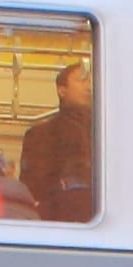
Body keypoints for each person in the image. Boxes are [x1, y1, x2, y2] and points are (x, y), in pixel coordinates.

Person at [19, 62, 98, 223]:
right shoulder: (41, 133)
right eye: (82, 80)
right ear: (62, 90)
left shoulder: (107, 134)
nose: (89, 87)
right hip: (58, 218)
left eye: (91, 82)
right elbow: (31, 187)